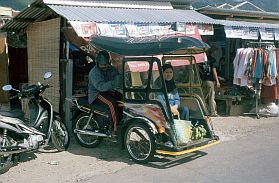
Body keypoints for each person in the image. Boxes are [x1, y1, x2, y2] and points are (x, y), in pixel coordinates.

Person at [88, 50, 121, 132]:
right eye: (102, 64)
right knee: (112, 104)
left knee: (123, 101)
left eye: (106, 64)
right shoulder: (94, 72)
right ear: (97, 63)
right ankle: (115, 130)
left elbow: (118, 78)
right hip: (97, 94)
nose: (104, 66)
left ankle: (121, 122)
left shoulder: (112, 69)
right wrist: (113, 83)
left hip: (109, 92)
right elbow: (100, 87)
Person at [203, 47, 220, 117]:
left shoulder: (203, 60)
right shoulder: (212, 60)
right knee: (211, 97)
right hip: (210, 81)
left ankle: (205, 111)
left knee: (204, 97)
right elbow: (214, 71)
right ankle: (213, 112)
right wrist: (217, 81)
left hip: (203, 81)